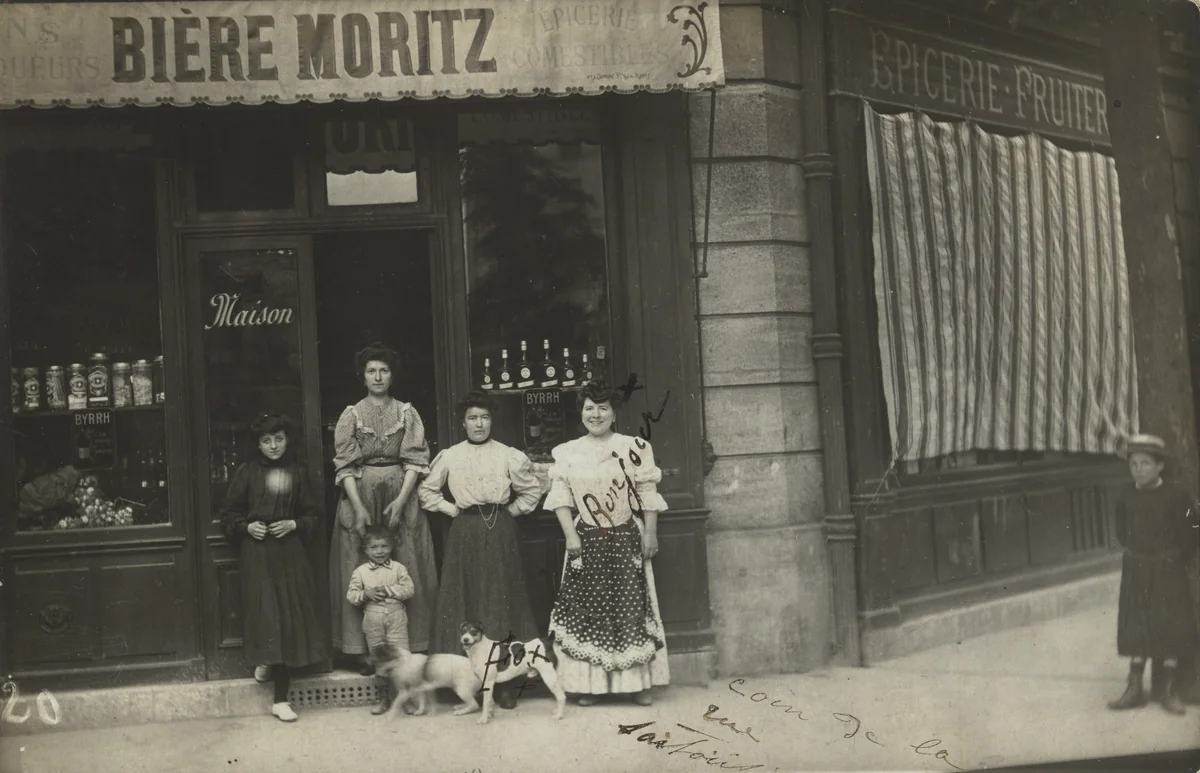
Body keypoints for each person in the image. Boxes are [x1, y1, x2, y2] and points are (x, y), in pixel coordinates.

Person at [544, 380, 670, 706]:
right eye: (589, 408)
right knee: (589, 610)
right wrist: (571, 535)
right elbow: (560, 496)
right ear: (581, 412)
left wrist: (651, 533)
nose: (596, 415)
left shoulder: (634, 447)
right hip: (586, 537)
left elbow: (647, 492)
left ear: (614, 413)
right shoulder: (568, 451)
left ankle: (637, 684)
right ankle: (591, 687)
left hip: (626, 535)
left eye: (603, 408)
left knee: (631, 608)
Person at [418, 391, 545, 709]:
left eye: (485, 418)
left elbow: (532, 490)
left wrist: (509, 513)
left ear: (492, 421)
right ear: (463, 423)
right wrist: (453, 511)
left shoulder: (507, 455)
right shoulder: (451, 456)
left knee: (501, 599)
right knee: (465, 598)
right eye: (473, 418)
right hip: (465, 532)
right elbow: (427, 491)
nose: (479, 424)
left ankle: (505, 681)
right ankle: (463, 680)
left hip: (501, 531)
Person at [330, 343, 438, 673]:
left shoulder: (407, 413)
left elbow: (415, 460)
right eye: (371, 371)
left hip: (400, 490)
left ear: (392, 376)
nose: (378, 377)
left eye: (384, 371)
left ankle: (411, 646)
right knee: (358, 562)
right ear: (362, 377)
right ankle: (362, 650)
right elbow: (345, 464)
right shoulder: (351, 415)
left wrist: (402, 500)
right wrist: (358, 507)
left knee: (408, 560)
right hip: (359, 491)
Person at [221, 413, 327, 723]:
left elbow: (313, 515)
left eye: (279, 439)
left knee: (287, 619)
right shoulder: (247, 473)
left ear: (287, 440)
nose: (273, 446)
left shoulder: (297, 473)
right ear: (258, 444)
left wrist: (295, 524)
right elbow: (228, 514)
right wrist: (247, 527)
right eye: (266, 441)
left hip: (289, 554)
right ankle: (267, 660)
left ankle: (281, 699)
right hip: (258, 554)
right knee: (267, 616)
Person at [1107, 433, 1198, 716]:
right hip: (1137, 568)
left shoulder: (1176, 496)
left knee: (1170, 625)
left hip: (1168, 568)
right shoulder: (1126, 495)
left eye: (1146, 463)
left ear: (1160, 466)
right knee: (1137, 624)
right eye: (1134, 464)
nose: (1139, 469)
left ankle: (1169, 690)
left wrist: (1171, 558)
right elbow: (1122, 532)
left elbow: (1190, 533)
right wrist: (1140, 555)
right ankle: (1134, 687)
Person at [347, 526, 415, 715]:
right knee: (380, 660)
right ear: (365, 549)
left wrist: (389, 590)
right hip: (373, 618)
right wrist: (366, 594)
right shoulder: (360, 571)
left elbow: (409, 590)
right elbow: (351, 596)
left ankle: (405, 700)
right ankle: (383, 699)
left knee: (402, 658)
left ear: (392, 547)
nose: (379, 551)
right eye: (374, 547)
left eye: (384, 546)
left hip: (396, 616)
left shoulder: (398, 568)